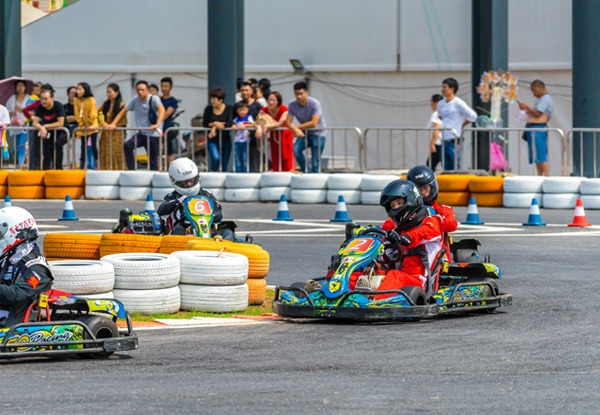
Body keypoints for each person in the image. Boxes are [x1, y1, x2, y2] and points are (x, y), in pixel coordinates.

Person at [369, 179, 444, 297]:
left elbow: (420, 234)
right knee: (368, 270)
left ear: (411, 200)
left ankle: (372, 301)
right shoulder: (399, 229)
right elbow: (384, 255)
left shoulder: (431, 222)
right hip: (401, 279)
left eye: (399, 203)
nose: (395, 208)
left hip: (419, 282)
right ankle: (337, 295)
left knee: (395, 276)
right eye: (392, 206)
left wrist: (404, 238)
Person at [0, 206, 54, 327]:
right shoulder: (8, 261)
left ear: (14, 233)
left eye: (1, 234)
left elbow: (18, 295)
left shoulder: (37, 267)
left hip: (15, 327)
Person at [157, 157, 233, 240]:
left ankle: (223, 249)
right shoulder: (172, 197)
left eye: (192, 181)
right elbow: (161, 211)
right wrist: (177, 202)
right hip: (183, 231)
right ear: (175, 182)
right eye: (184, 183)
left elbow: (218, 214)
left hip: (209, 232)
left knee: (228, 232)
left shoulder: (207, 194)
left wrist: (210, 216)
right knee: (178, 230)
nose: (189, 184)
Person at [109, 80, 165, 171]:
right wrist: (113, 124)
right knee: (127, 145)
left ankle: (154, 176)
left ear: (147, 90)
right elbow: (123, 111)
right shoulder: (135, 99)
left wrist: (157, 124)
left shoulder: (154, 99)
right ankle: (132, 170)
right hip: (142, 134)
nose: (140, 92)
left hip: (153, 134)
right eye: (138, 90)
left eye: (142, 90)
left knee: (153, 160)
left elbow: (162, 110)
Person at [405, 165, 456, 262]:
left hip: (437, 255)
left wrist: (437, 219)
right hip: (411, 252)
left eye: (425, 188)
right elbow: (390, 224)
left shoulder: (443, 210)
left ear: (432, 186)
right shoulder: (406, 212)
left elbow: (452, 225)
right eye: (419, 190)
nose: (423, 192)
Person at [436, 78, 477, 171]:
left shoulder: (458, 102)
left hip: (454, 141)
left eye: (445, 87)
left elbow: (473, 115)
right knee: (445, 168)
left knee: (456, 167)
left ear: (452, 89)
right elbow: (439, 115)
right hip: (444, 139)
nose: (442, 89)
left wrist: (462, 124)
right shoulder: (441, 103)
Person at [288, 81, 327, 173]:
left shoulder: (315, 103)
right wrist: (295, 129)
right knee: (296, 149)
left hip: (318, 132)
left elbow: (313, 123)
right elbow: (288, 122)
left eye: (301, 94)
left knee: (315, 162)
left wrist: (297, 128)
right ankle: (307, 171)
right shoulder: (292, 104)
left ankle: (316, 178)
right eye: (296, 94)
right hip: (304, 133)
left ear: (306, 93)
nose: (299, 97)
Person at [518, 79, 554, 177]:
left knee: (541, 155)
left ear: (539, 88)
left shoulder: (546, 98)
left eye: (534, 90)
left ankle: (546, 176)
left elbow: (538, 113)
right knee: (537, 155)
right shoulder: (540, 99)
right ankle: (540, 175)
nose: (533, 93)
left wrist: (527, 107)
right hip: (533, 129)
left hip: (538, 129)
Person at [256, 91, 295, 172]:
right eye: (269, 100)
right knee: (275, 156)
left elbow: (280, 123)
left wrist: (266, 126)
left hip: (285, 135)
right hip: (274, 136)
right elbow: (257, 121)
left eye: (274, 100)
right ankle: (276, 172)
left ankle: (289, 172)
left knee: (287, 157)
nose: (271, 102)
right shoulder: (264, 109)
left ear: (278, 101)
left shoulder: (284, 109)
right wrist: (259, 127)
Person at [31, 88, 68, 170]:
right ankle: (45, 169)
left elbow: (60, 123)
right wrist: (41, 128)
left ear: (52, 98)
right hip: (50, 131)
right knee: (47, 150)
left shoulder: (58, 106)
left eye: (46, 99)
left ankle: (59, 168)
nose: (43, 101)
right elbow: (35, 123)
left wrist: (45, 126)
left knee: (58, 144)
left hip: (62, 130)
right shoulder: (40, 107)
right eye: (42, 99)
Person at [234, 82, 263, 172]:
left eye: (246, 90)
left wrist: (257, 127)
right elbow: (232, 120)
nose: (244, 92)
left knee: (254, 161)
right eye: (242, 90)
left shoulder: (257, 105)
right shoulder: (237, 105)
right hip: (240, 139)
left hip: (254, 139)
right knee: (240, 159)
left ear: (251, 92)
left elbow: (262, 119)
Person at [202, 87, 233, 172]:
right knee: (215, 158)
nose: (212, 101)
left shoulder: (228, 108)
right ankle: (214, 175)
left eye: (214, 99)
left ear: (221, 100)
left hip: (225, 140)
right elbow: (205, 123)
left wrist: (214, 126)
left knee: (224, 164)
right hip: (212, 139)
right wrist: (215, 123)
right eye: (211, 99)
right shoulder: (208, 109)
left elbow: (228, 123)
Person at [98, 83, 126, 170]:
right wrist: (103, 123)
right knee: (104, 152)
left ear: (117, 92)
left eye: (110, 92)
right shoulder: (105, 104)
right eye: (107, 92)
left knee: (115, 153)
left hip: (116, 134)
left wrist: (113, 125)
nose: (108, 94)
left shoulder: (121, 105)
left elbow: (123, 120)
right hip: (105, 133)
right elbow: (99, 113)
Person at [5, 80, 31, 168]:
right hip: (15, 125)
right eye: (18, 86)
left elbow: (32, 111)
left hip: (25, 125)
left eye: (22, 85)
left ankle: (21, 164)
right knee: (16, 146)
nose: (20, 88)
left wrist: (21, 109)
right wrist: (13, 112)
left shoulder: (29, 98)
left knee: (22, 144)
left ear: (25, 87)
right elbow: (7, 112)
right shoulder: (12, 98)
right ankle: (19, 161)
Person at [74, 82, 99, 170]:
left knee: (93, 146)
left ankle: (96, 164)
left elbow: (93, 113)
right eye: (77, 89)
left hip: (92, 126)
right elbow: (77, 113)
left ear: (86, 90)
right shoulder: (76, 100)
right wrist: (81, 124)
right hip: (83, 127)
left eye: (80, 89)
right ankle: (82, 165)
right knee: (83, 147)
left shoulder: (91, 99)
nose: (78, 91)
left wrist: (89, 123)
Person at [160, 77, 180, 164]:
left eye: (166, 86)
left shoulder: (173, 101)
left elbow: (167, 114)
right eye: (162, 86)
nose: (164, 88)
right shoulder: (158, 99)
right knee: (156, 151)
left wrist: (157, 122)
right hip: (158, 130)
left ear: (170, 88)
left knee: (169, 151)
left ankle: (171, 169)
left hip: (167, 128)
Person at [231, 102, 255, 172]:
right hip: (237, 141)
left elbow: (253, 124)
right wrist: (234, 126)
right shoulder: (236, 119)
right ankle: (238, 172)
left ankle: (246, 172)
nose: (242, 112)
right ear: (237, 111)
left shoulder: (248, 117)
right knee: (238, 158)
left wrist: (245, 126)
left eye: (244, 110)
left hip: (245, 141)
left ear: (247, 110)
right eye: (240, 110)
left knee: (245, 158)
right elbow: (233, 125)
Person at [426, 94, 444, 171]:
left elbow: (436, 129)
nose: (430, 104)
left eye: (431, 102)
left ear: (436, 103)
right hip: (441, 142)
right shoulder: (442, 113)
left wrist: (432, 143)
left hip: (438, 143)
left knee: (429, 165)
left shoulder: (436, 114)